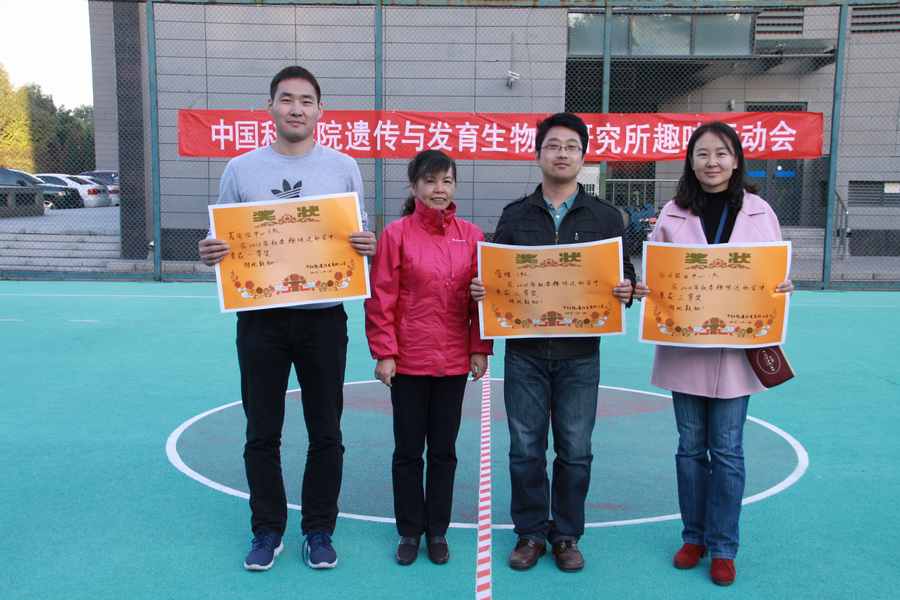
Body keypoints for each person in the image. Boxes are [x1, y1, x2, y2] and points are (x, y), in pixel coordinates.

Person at [197, 66, 377, 572]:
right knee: (262, 431)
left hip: (323, 319)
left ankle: (319, 529)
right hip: (262, 320)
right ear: (271, 107)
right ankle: (267, 529)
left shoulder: (343, 167)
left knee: (326, 431)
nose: (296, 108)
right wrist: (211, 251)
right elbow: (223, 238)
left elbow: (356, 234)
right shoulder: (241, 169)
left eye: (305, 100)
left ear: (320, 110)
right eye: (286, 99)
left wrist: (366, 243)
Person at [472, 113, 639, 573]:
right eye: (552, 145)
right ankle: (530, 532)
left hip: (580, 356)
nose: (561, 153)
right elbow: (497, 274)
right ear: (538, 154)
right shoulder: (515, 214)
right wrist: (484, 289)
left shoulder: (607, 216)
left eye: (570, 146)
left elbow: (624, 275)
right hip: (525, 354)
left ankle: (566, 535)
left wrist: (626, 288)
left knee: (575, 450)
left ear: (583, 157)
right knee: (525, 449)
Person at [636, 121, 794, 586]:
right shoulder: (673, 212)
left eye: (722, 153)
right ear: (691, 161)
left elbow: (773, 272)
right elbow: (658, 276)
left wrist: (783, 286)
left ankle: (723, 546)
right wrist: (647, 288)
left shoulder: (760, 211)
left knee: (726, 449)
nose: (712, 162)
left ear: (736, 160)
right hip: (685, 348)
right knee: (690, 448)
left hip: (738, 349)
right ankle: (694, 538)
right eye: (703, 154)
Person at [365, 150, 493, 566]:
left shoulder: (473, 236)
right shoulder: (396, 235)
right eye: (431, 181)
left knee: (443, 451)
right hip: (407, 360)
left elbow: (480, 300)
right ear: (415, 186)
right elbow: (381, 298)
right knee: (407, 451)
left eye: (447, 181)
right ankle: (409, 531)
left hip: (453, 361)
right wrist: (385, 352)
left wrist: (479, 347)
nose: (440, 189)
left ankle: (437, 530)